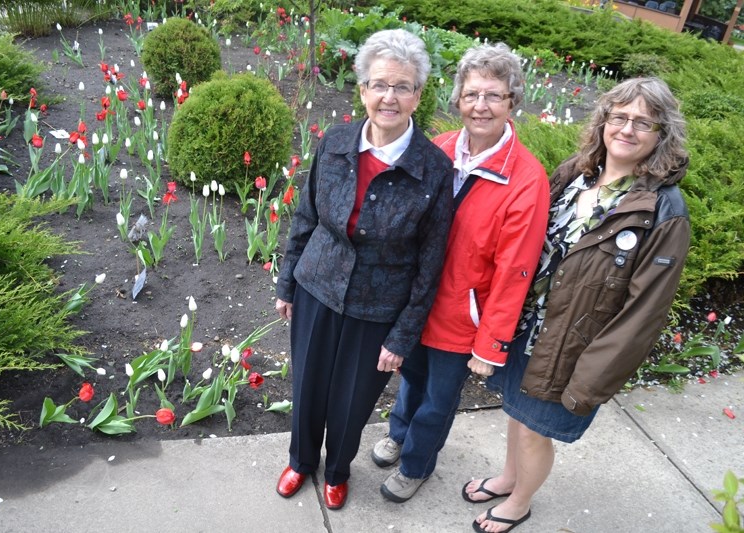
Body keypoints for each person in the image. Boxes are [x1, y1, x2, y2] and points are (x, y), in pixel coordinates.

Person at [468, 77, 690, 533]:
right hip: (527, 326)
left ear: (661, 134)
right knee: (516, 410)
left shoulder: (664, 209)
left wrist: (590, 379)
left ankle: (520, 502)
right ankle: (509, 478)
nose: (627, 129)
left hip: (573, 345)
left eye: (643, 122)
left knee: (534, 428)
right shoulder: (576, 172)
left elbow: (643, 314)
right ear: (604, 121)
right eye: (620, 117)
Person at [274, 28, 453, 511]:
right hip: (317, 287)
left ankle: (336, 471)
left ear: (418, 95)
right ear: (362, 90)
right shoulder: (334, 142)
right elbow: (306, 217)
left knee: (352, 402)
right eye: (379, 84)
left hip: (379, 306)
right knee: (308, 385)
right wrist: (287, 281)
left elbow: (430, 264)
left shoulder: (434, 170)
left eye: (402, 86)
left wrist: (403, 336)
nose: (388, 97)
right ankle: (301, 460)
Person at [371, 43, 550, 504]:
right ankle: (398, 434)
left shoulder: (526, 179)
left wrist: (491, 344)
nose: (480, 105)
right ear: (458, 99)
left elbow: (516, 271)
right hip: (418, 304)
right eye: (471, 94)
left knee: (438, 399)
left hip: (462, 318)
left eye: (494, 95)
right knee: (410, 381)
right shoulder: (444, 148)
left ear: (513, 101)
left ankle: (417, 465)